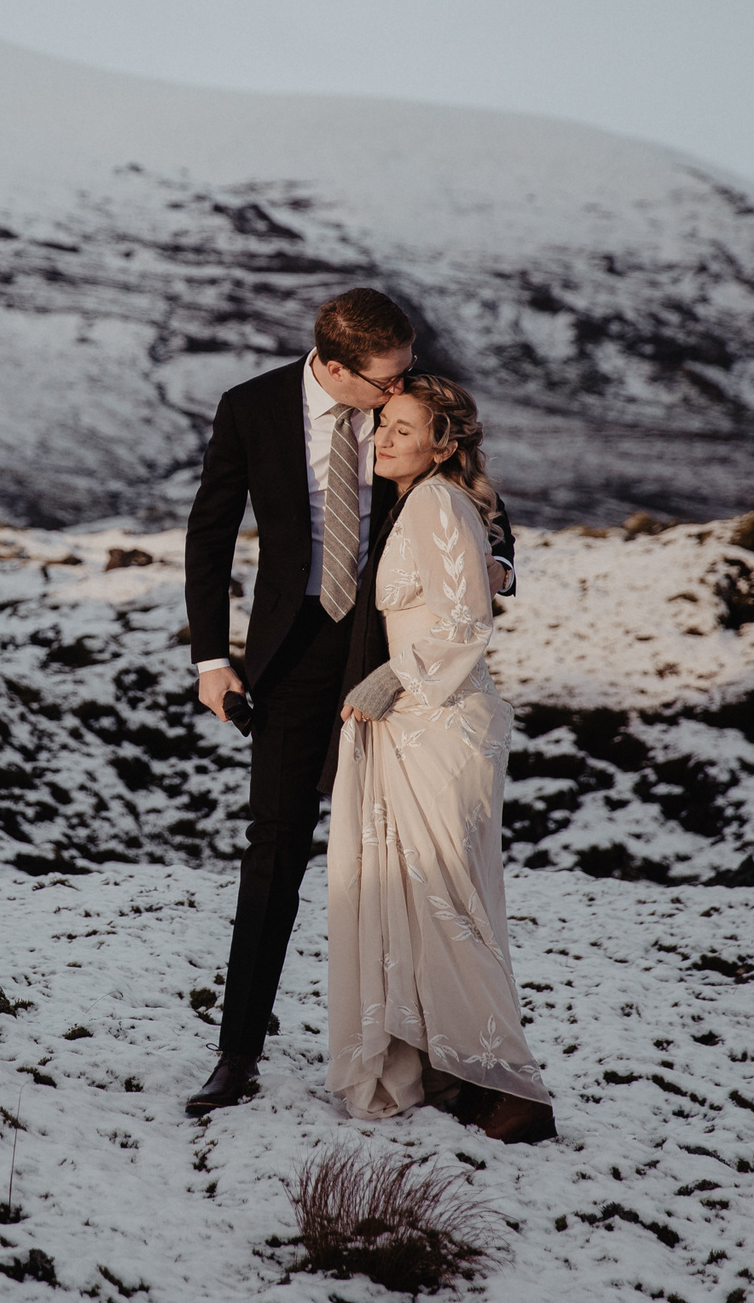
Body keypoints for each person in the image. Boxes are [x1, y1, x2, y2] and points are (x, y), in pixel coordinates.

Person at [181, 288, 514, 1116]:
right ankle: (237, 1052)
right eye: (383, 379)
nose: (400, 389)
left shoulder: (406, 403)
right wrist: (210, 658)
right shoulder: (251, 408)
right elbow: (210, 530)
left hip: (392, 651)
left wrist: (497, 563)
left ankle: (440, 1053)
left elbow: (478, 487)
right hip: (292, 658)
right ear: (334, 366)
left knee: (413, 857)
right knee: (276, 847)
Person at [326, 373, 555, 1141]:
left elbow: (467, 617)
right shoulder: (422, 500)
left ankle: (514, 1086)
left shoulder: (435, 502)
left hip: (440, 721)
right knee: (430, 902)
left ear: (442, 442)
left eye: (400, 427)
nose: (382, 438)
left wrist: (391, 676)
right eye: (381, 424)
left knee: (448, 905)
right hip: (418, 723)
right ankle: (455, 1068)